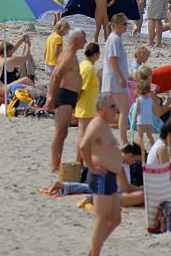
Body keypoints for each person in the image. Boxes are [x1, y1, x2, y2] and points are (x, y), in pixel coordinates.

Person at [79, 94, 123, 255]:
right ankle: (94, 253)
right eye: (112, 107)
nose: (115, 110)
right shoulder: (96, 125)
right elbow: (83, 145)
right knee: (103, 219)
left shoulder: (104, 125)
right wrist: (91, 166)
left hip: (110, 176)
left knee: (115, 219)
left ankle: (92, 251)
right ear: (102, 108)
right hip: (101, 176)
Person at [46, 28, 85, 173]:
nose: (86, 42)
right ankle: (54, 165)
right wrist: (50, 97)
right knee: (60, 131)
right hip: (64, 95)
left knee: (64, 133)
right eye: (83, 39)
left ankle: (57, 163)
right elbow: (56, 75)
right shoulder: (68, 55)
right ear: (76, 41)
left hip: (71, 95)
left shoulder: (71, 55)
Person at [101, 14, 130, 145]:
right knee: (124, 109)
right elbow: (112, 60)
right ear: (116, 25)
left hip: (113, 80)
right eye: (124, 24)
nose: (125, 27)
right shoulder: (113, 39)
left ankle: (107, 136)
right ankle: (123, 139)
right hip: (114, 80)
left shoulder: (116, 38)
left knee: (110, 110)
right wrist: (120, 78)